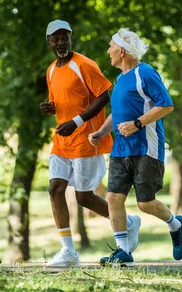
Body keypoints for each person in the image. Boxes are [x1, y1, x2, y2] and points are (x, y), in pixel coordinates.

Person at [40, 20, 141, 267]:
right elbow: (62, 100)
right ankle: (68, 253)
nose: (61, 42)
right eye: (56, 38)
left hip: (86, 139)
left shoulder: (84, 64)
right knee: (54, 189)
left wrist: (76, 121)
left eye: (65, 37)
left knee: (84, 197)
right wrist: (50, 107)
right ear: (49, 42)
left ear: (70, 39)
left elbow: (104, 96)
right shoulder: (51, 70)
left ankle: (127, 223)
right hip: (62, 141)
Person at [88, 28, 182, 267]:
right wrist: (102, 131)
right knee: (113, 197)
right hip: (120, 150)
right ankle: (123, 252)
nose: (108, 51)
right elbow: (118, 113)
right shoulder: (121, 79)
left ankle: (176, 225)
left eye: (111, 46)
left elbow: (166, 105)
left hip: (146, 148)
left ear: (122, 51)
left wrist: (137, 124)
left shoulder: (145, 73)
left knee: (145, 203)